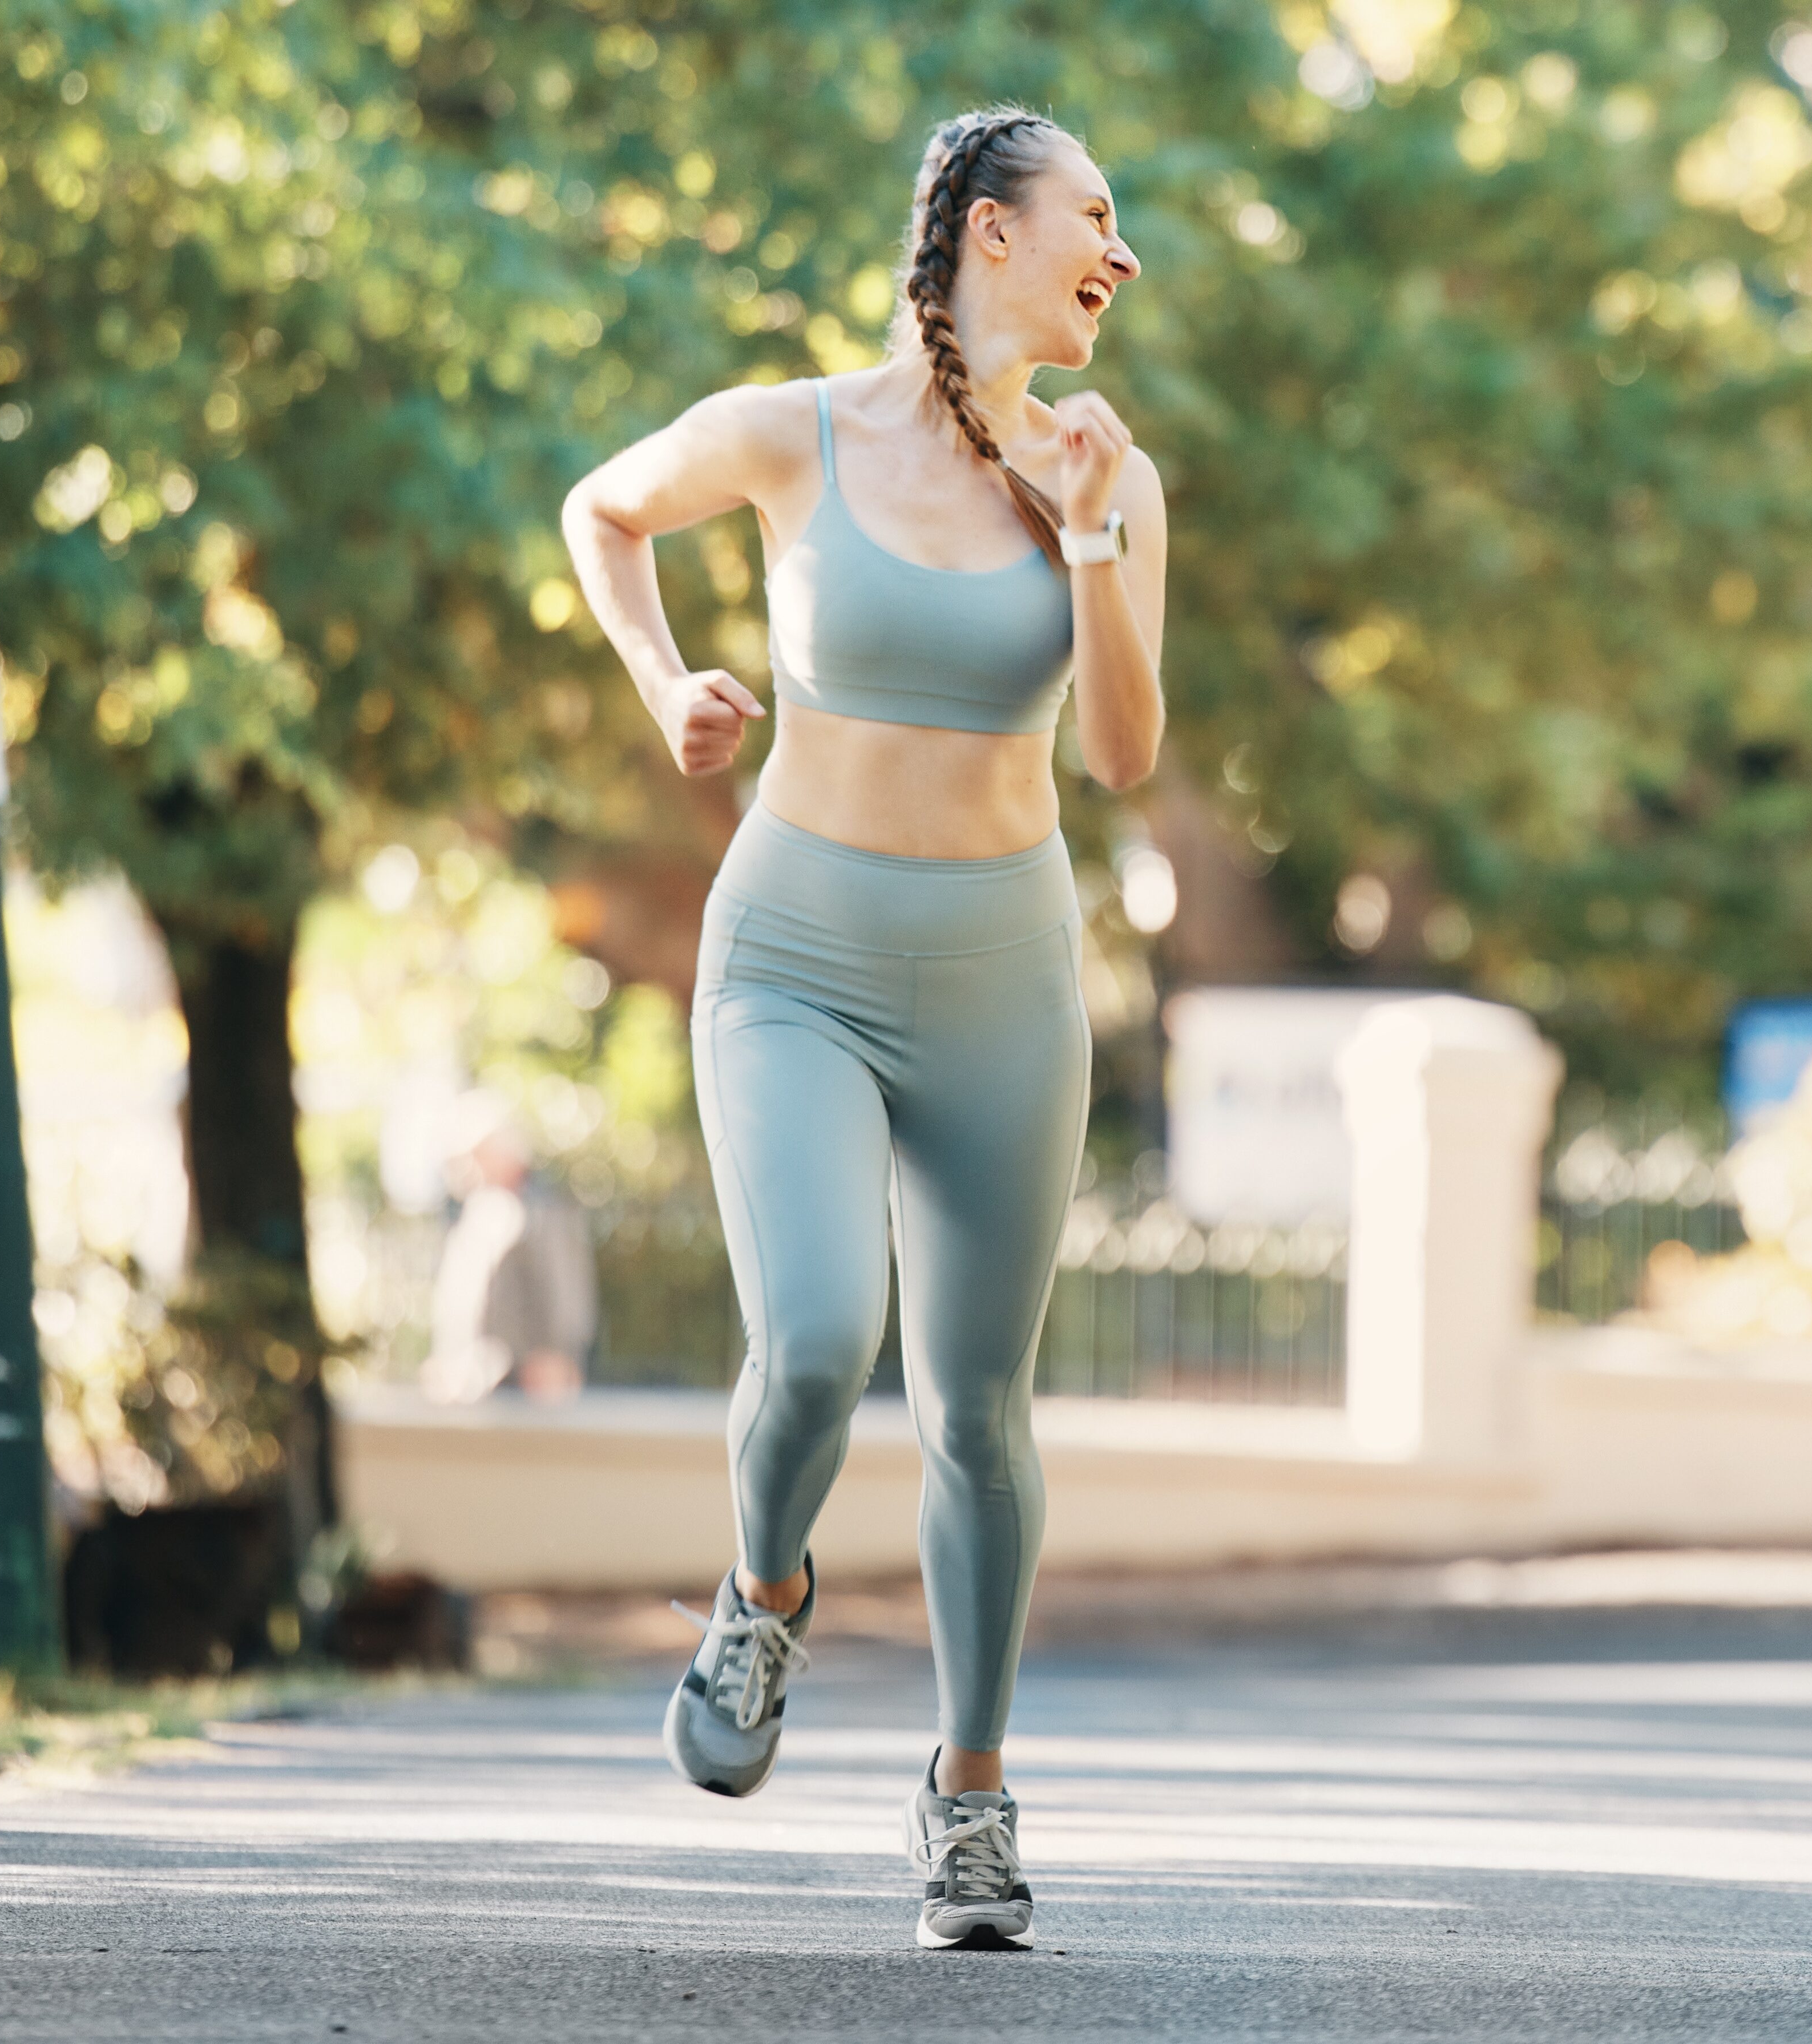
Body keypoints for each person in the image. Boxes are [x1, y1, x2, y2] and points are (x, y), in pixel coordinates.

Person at [558, 106, 1160, 1951]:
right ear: (988, 232)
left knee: (978, 1409)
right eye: (1092, 218)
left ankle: (967, 1804)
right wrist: (665, 686)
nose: (1119, 256)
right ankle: (760, 1591)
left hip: (1000, 967)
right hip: (796, 947)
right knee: (816, 1337)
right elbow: (602, 507)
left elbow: (1127, 755)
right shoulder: (792, 431)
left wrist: (1083, 539)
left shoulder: (1106, 466)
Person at [422, 1092, 599, 1406]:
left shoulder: (546, 1214)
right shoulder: (471, 1217)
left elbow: (567, 1296)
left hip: (528, 1385)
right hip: (476, 1385)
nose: (467, 1166)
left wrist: (558, 1356)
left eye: (477, 1154)